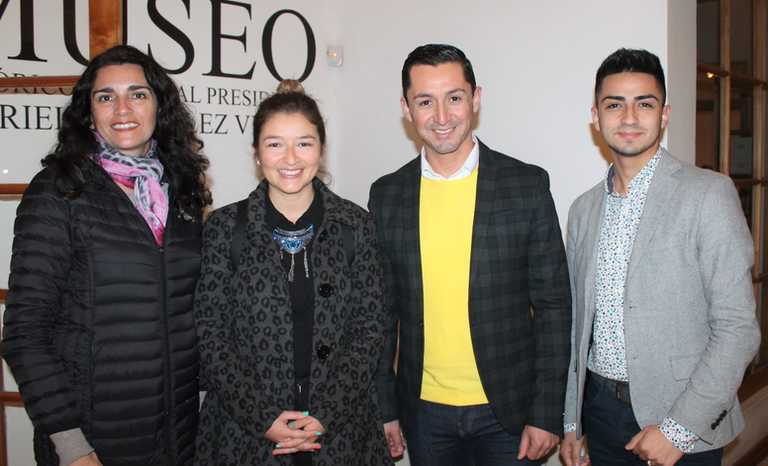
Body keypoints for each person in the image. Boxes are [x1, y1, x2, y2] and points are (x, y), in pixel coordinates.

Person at [0, 45, 211, 466]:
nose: (122, 108)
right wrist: (74, 449)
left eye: (137, 94)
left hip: (181, 435)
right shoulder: (58, 190)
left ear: (159, 105)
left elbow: (196, 312)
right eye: (105, 96)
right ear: (88, 110)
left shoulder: (183, 191)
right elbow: (25, 335)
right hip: (93, 440)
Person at [369, 44, 571, 466]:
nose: (442, 117)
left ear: (475, 99)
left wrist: (547, 412)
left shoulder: (526, 186)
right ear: (407, 108)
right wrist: (384, 407)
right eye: (426, 101)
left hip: (509, 415)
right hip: (423, 413)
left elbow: (553, 306)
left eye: (454, 98)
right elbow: (380, 314)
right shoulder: (387, 195)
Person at [560, 48, 761, 466]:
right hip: (599, 412)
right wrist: (571, 423)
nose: (629, 117)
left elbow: (738, 328)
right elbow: (578, 327)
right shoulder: (583, 210)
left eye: (644, 104)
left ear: (664, 115)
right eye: (614, 104)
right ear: (596, 117)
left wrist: (678, 429)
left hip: (684, 414)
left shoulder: (708, 194)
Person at [193, 80, 392, 466]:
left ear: (321, 149)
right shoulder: (223, 227)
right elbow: (211, 332)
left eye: (303, 142)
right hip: (245, 434)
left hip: (342, 431)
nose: (290, 158)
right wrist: (261, 417)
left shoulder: (356, 224)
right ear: (256, 153)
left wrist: (324, 415)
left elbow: (370, 329)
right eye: (274, 144)